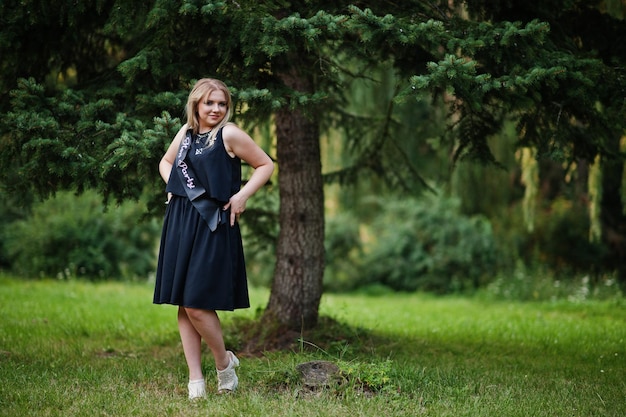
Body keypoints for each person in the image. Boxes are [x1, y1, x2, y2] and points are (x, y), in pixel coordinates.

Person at [153, 78, 274, 399]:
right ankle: (196, 382)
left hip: (214, 223)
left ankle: (224, 363)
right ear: (196, 104)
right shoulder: (186, 134)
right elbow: (166, 162)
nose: (216, 109)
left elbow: (265, 164)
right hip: (180, 220)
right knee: (183, 302)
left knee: (196, 302)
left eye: (221, 103)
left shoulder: (229, 134)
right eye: (210, 103)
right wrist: (173, 186)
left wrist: (243, 195)